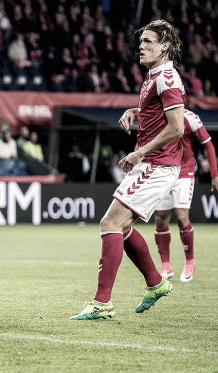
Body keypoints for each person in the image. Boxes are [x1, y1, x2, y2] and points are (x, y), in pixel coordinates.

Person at [71, 20, 185, 320]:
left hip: (157, 164)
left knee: (110, 223)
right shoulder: (154, 75)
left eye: (149, 41)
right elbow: (158, 114)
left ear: (165, 46)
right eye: (141, 41)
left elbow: (177, 127)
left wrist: (139, 152)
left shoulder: (167, 78)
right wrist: (135, 112)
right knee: (120, 227)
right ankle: (155, 283)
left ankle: (102, 303)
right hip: (153, 162)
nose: (142, 46)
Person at [154, 109, 218, 282]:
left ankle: (189, 261)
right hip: (162, 172)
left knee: (181, 216)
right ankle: (165, 265)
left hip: (184, 172)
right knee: (161, 219)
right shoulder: (156, 115)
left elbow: (208, 144)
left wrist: (214, 174)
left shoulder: (190, 117)